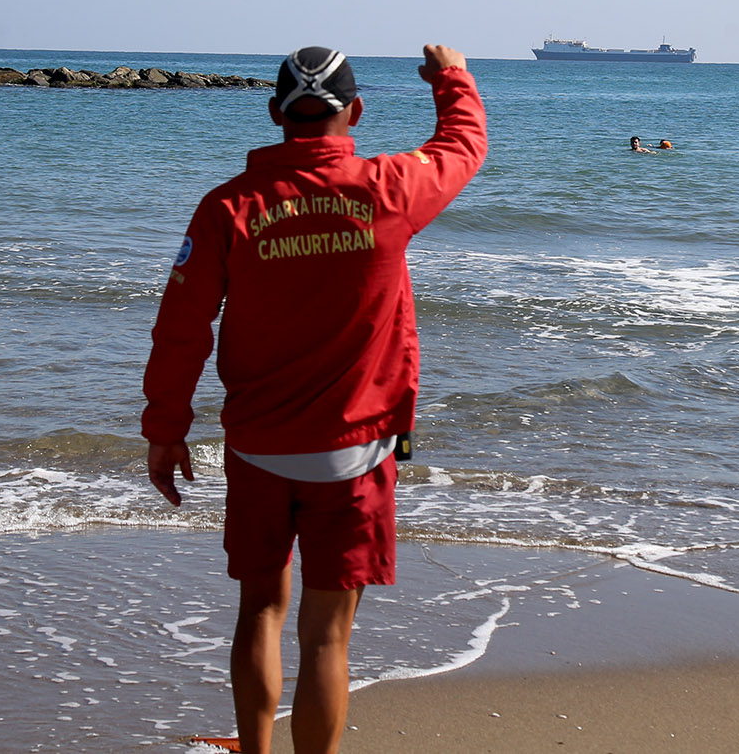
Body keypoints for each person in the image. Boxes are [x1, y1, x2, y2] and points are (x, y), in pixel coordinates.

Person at [142, 44, 487, 754]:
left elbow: (181, 328)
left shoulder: (228, 206)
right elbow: (463, 144)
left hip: (259, 449)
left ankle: (255, 747)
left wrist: (166, 426)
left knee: (260, 610)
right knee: (327, 631)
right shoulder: (390, 187)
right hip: (354, 453)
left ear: (276, 115)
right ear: (354, 112)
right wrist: (450, 77)